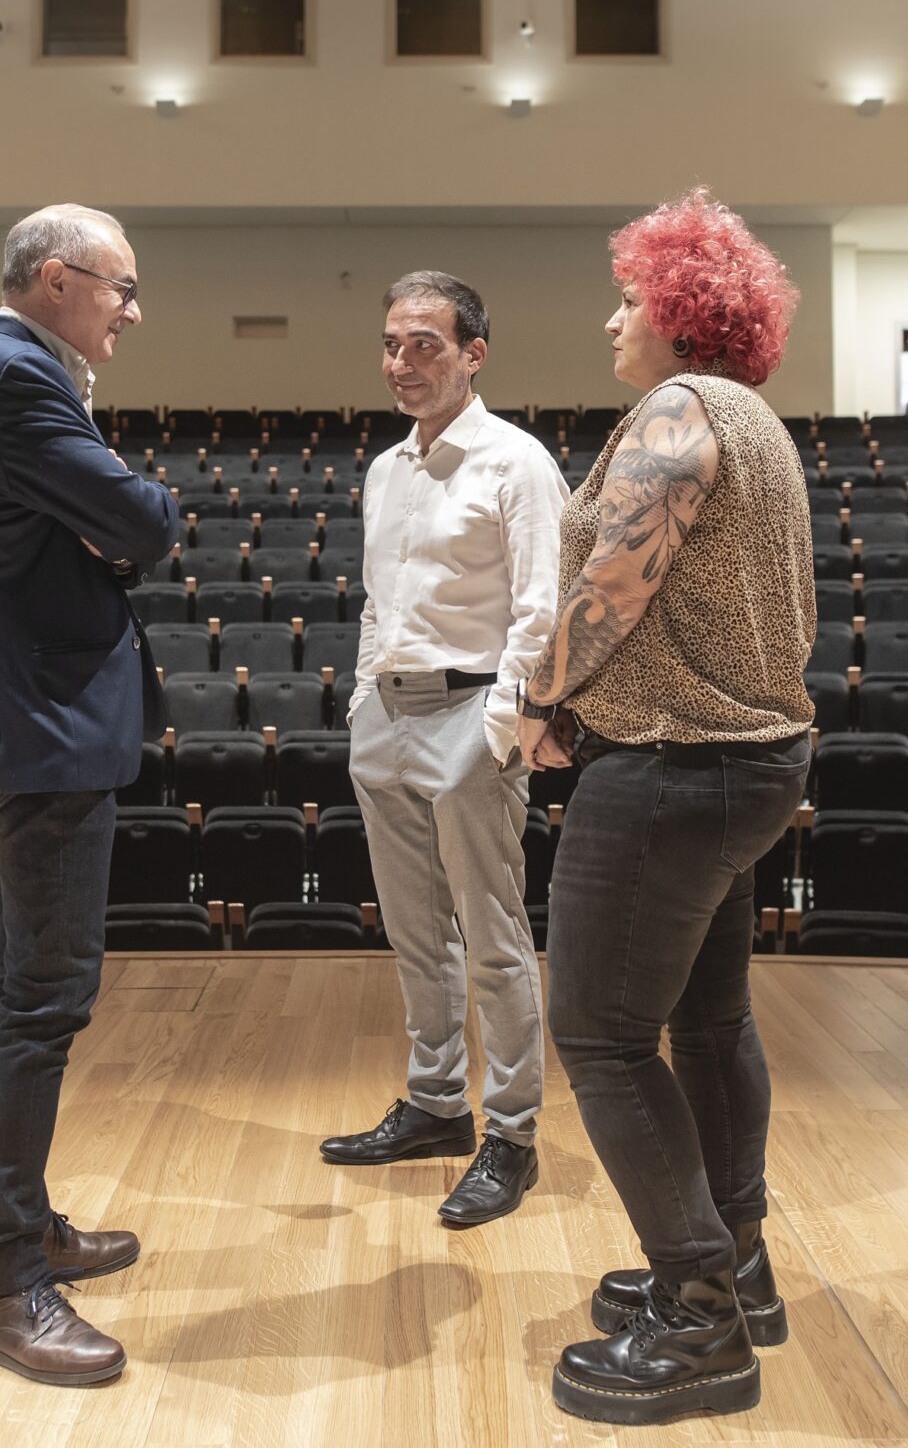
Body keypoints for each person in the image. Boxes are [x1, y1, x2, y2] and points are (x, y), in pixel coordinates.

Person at [516, 189, 815, 1427]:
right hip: (749, 760)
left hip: (672, 764)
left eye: (631, 298)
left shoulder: (681, 409)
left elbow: (614, 581)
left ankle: (698, 1317)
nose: (612, 320)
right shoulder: (758, 422)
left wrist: (538, 700)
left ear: (686, 314)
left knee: (597, 1033)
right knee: (707, 1018)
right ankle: (735, 1262)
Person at [0, 204, 182, 1387]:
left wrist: (110, 529)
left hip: (36, 717)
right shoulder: (15, 377)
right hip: (44, 722)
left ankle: (21, 1227)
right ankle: (1, 1287)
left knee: (19, 996)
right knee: (42, 1002)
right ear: (52, 277)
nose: (132, 309)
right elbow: (142, 522)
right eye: (119, 286)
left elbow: (110, 536)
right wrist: (130, 515)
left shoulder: (15, 375)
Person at [320, 272, 565, 1228]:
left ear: (474, 354)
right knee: (416, 932)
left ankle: (512, 1133)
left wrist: (500, 728)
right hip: (388, 716)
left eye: (424, 344)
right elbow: (379, 605)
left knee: (493, 938)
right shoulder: (386, 469)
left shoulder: (517, 462)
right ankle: (435, 1105)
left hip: (473, 716)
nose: (401, 363)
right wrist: (362, 706)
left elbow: (541, 610)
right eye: (391, 344)